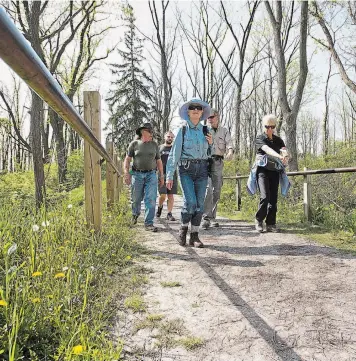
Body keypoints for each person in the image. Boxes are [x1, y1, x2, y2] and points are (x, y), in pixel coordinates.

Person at [166, 98, 213, 248]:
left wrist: (211, 144)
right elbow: (174, 154)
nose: (195, 110)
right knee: (190, 202)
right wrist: (169, 175)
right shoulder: (183, 130)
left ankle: (195, 236)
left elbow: (210, 154)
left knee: (199, 204)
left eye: (199, 108)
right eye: (192, 107)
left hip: (202, 170)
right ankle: (183, 229)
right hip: (186, 169)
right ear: (188, 111)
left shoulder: (206, 130)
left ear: (202, 112)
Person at [123, 123, 164, 232]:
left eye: (150, 131)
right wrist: (126, 173)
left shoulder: (154, 145)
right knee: (136, 199)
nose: (149, 133)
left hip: (151, 174)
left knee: (151, 199)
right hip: (137, 174)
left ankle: (148, 223)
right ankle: (135, 214)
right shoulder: (134, 144)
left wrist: (161, 176)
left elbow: (159, 161)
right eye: (147, 130)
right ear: (142, 132)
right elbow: (127, 159)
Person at [254, 114, 289, 233]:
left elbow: (284, 149)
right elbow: (266, 149)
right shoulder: (260, 138)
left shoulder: (278, 140)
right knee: (265, 196)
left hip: (275, 171)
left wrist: (285, 156)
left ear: (275, 127)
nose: (269, 129)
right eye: (267, 126)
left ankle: (271, 223)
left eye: (272, 126)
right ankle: (259, 220)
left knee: (273, 199)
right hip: (262, 171)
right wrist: (278, 155)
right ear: (263, 126)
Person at [202, 108, 234, 229]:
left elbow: (229, 143)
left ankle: (212, 217)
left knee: (217, 190)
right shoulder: (204, 130)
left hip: (218, 162)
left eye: (212, 117)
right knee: (208, 189)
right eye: (208, 117)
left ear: (217, 117)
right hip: (205, 162)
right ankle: (205, 218)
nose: (210, 119)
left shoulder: (224, 130)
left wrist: (230, 151)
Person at [156, 131, 177, 221]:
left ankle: (169, 213)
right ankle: (160, 207)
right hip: (161, 174)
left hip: (172, 174)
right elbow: (155, 161)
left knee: (171, 195)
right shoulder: (159, 148)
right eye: (168, 136)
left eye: (172, 137)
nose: (170, 138)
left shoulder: (175, 149)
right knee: (163, 195)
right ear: (165, 137)